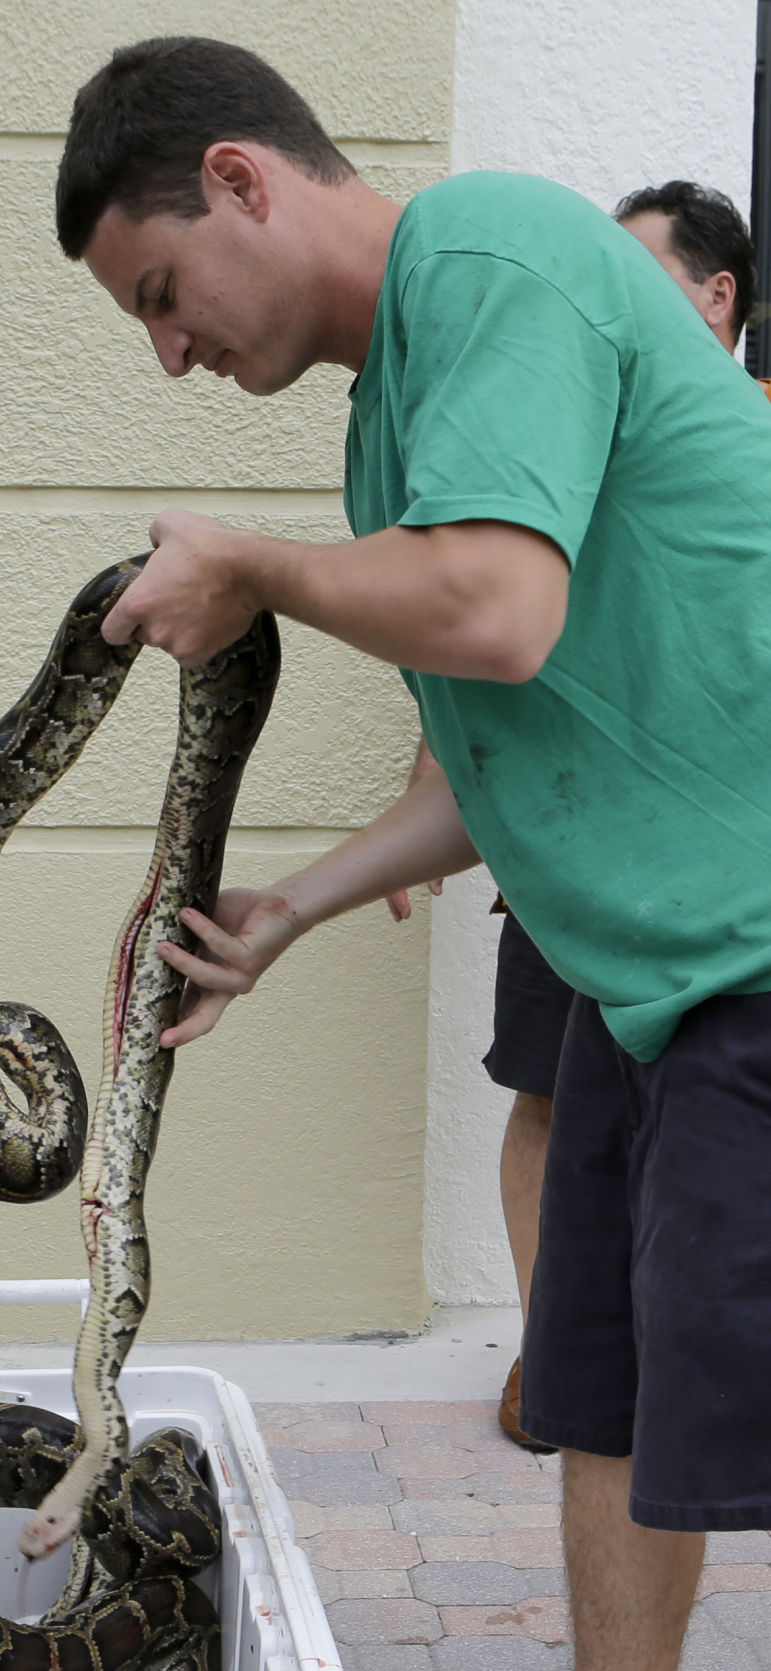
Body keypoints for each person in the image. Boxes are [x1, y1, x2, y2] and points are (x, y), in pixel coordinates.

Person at [55, 38, 771, 1671]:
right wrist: (288, 909)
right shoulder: (400, 417)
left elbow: (495, 610)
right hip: (634, 972)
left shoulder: (495, 253)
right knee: (598, 1408)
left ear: (241, 178)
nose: (169, 353)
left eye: (161, 293)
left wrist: (252, 561)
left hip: (754, 951)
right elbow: (490, 760)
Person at [389, 179, 768, 1455]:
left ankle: (666, 1369)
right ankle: (562, 1350)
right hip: (563, 865)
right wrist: (426, 786)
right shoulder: (568, 420)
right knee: (547, 1091)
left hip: (715, 884)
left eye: (637, 276)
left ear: (716, 298)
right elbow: (502, 641)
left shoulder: (743, 440)